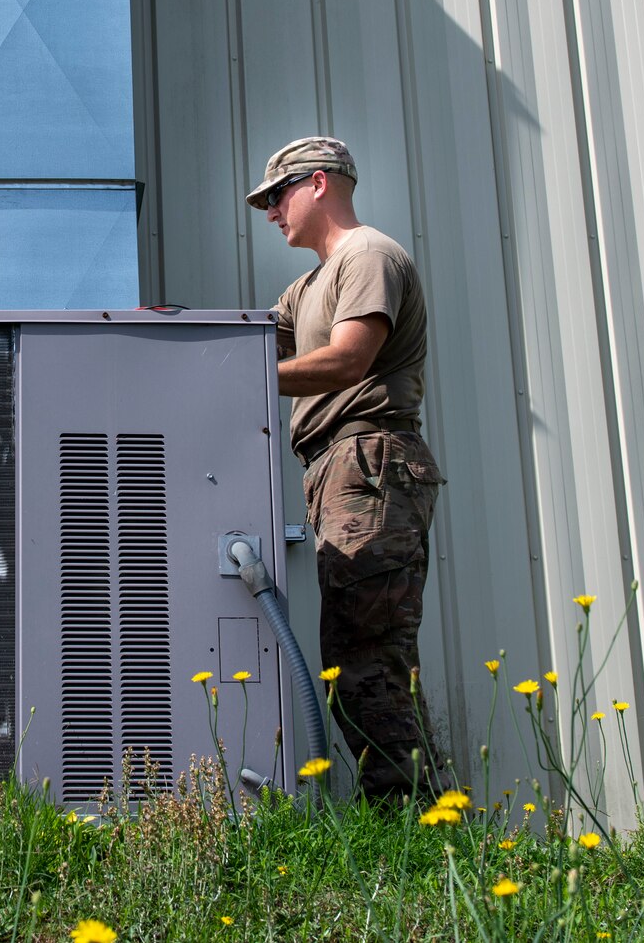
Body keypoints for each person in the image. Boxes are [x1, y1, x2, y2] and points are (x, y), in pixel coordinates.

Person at [247, 137, 444, 799]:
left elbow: (347, 360)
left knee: (369, 661)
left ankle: (415, 829)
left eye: (279, 194)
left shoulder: (368, 256)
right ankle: (411, 824)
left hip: (370, 460)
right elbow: (242, 345)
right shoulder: (305, 287)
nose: (272, 211)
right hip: (340, 469)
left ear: (321, 182)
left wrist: (239, 378)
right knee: (355, 657)